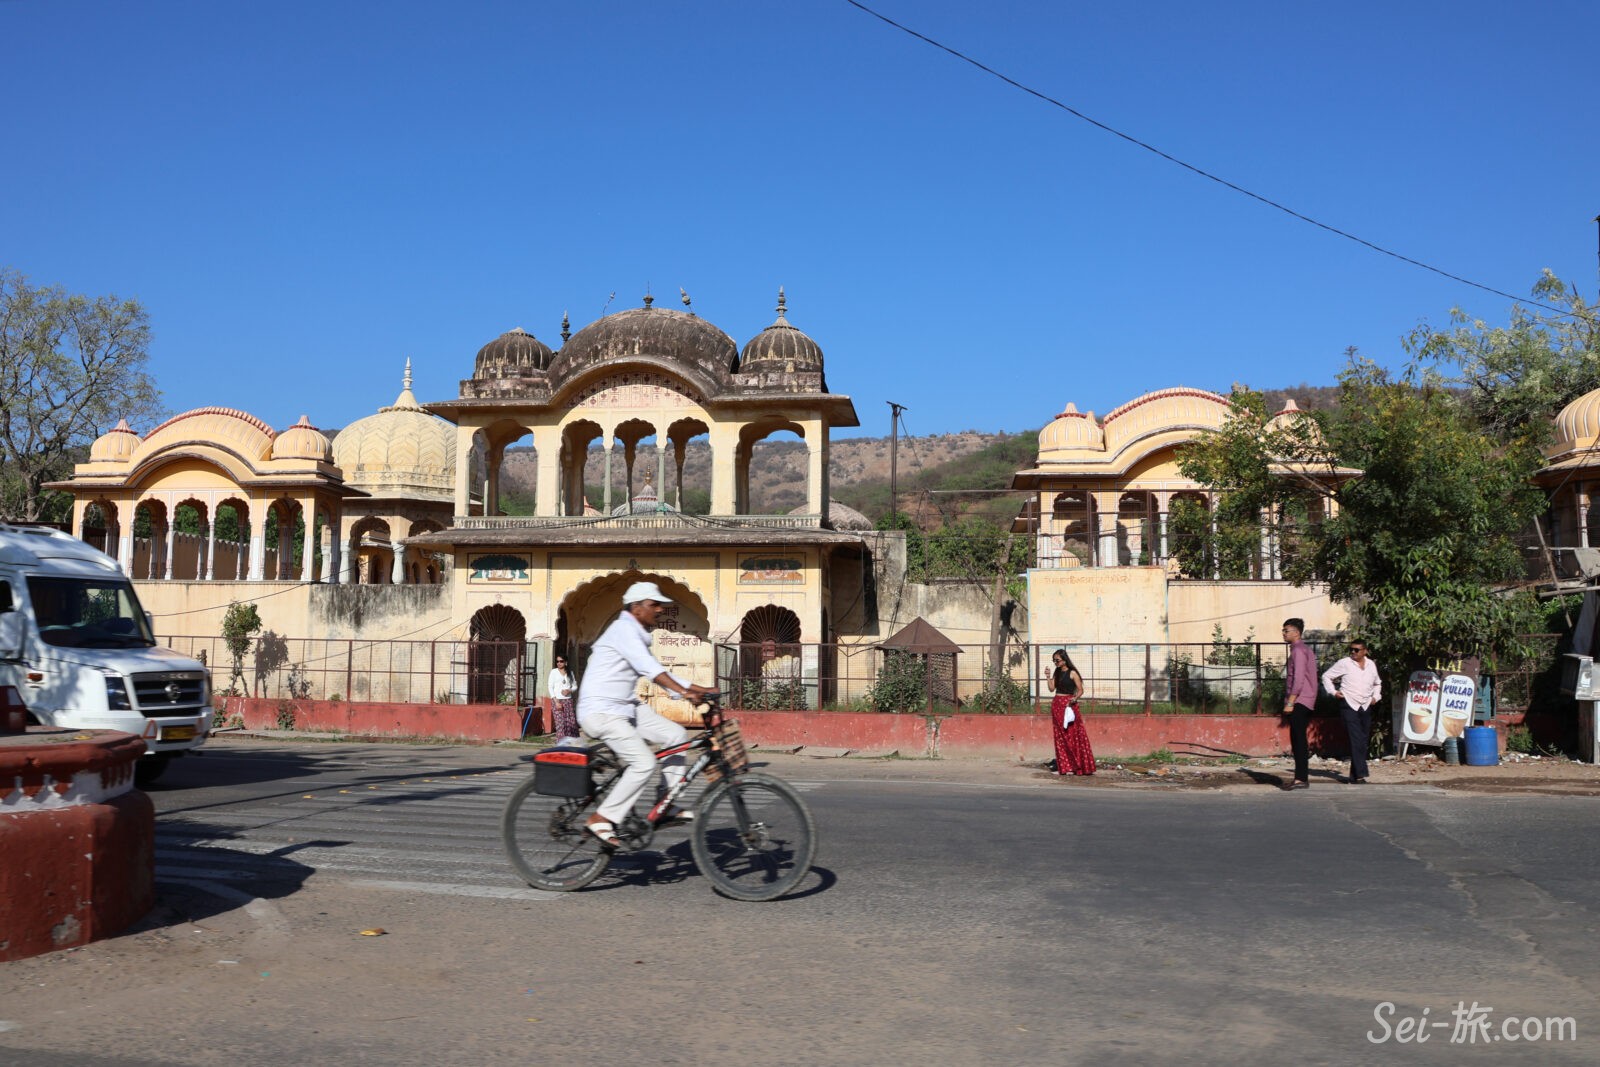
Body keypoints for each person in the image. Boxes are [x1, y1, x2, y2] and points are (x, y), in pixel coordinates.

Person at [576, 581, 715, 846]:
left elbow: (660, 672)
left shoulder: (636, 634)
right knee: (644, 763)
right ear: (637, 608)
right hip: (602, 711)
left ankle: (665, 803)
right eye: (654, 605)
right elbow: (652, 671)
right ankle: (601, 818)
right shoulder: (623, 630)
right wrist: (686, 693)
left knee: (676, 735)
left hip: (625, 707)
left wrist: (702, 690)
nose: (660, 610)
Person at [1322, 639, 1381, 784]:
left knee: (1363, 739)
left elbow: (1377, 683)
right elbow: (1326, 676)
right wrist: (1334, 692)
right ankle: (1360, 774)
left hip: (1365, 705)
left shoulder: (1371, 665)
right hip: (1349, 703)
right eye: (1351, 649)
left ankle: (1354, 777)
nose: (1353, 652)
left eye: (1357, 650)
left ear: (1365, 651)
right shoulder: (1344, 663)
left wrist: (1376, 697)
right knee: (1356, 738)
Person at [1281, 618, 1319, 790]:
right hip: (1304, 699)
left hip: (1300, 700)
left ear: (1296, 632)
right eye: (1283, 630)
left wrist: (1291, 701)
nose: (1283, 633)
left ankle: (1301, 778)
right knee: (1298, 739)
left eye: (1286, 630)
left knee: (1298, 740)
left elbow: (1298, 679)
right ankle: (1300, 777)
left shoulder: (1298, 650)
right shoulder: (1303, 649)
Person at [1048, 648, 1096, 776]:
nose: (1055, 663)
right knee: (1060, 736)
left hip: (1069, 705)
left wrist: (1074, 698)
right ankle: (1065, 766)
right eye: (1054, 661)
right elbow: (1052, 689)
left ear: (1064, 660)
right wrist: (1048, 677)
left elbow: (1080, 690)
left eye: (1057, 660)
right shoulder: (1057, 672)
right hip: (1057, 705)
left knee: (1072, 735)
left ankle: (1077, 765)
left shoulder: (1072, 673)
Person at [547, 653, 577, 744]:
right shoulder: (554, 672)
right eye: (557, 661)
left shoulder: (570, 673)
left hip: (568, 701)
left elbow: (575, 686)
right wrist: (556, 702)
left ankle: (572, 744)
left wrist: (569, 690)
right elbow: (550, 687)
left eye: (561, 661)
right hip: (557, 701)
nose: (559, 663)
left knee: (570, 724)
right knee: (560, 724)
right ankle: (561, 744)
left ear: (566, 662)